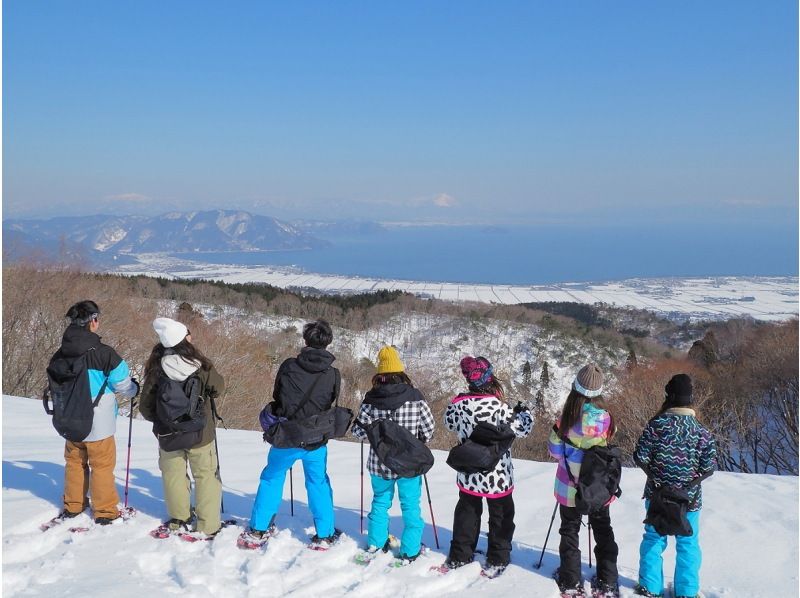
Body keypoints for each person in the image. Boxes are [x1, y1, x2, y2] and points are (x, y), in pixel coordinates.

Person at [241, 319, 341, 548]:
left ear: (306, 340)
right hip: (315, 439)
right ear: (328, 342)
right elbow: (330, 401)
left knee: (272, 478)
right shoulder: (332, 374)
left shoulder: (288, 365)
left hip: (286, 435)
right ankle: (324, 534)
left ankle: (258, 529)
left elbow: (278, 393)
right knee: (318, 483)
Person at [442, 356, 533, 575]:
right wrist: (525, 413)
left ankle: (460, 555)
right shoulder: (499, 407)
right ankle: (498, 558)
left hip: (469, 470)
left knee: (467, 513)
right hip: (497, 472)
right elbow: (522, 429)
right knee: (501, 516)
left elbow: (449, 423)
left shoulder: (459, 404)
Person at [50, 300, 139, 524]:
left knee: (74, 462)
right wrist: (134, 389)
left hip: (69, 417)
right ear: (92, 322)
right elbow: (123, 384)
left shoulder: (61, 353)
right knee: (101, 465)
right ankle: (106, 511)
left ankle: (73, 506)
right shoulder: (104, 353)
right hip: (99, 420)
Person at [632, 374, 717, 598]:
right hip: (689, 500)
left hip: (657, 495)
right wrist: (688, 484)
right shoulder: (702, 432)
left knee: (653, 538)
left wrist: (656, 478)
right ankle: (686, 592)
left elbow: (639, 456)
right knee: (688, 543)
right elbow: (709, 468)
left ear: (669, 397)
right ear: (690, 399)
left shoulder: (657, 425)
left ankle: (650, 587)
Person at [139, 317, 225, 537]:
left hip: (168, 433)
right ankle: (208, 525)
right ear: (184, 339)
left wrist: (162, 420)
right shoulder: (200, 365)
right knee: (205, 475)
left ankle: (180, 518)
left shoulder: (157, 367)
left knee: (173, 475)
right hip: (200, 432)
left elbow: (146, 406)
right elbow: (218, 388)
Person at [352, 346, 435, 562]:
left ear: (380, 374)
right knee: (410, 506)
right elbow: (428, 430)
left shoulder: (371, 399)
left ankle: (376, 543)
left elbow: (358, 431)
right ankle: (410, 549)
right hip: (409, 464)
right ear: (400, 371)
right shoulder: (415, 397)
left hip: (379, 463)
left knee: (380, 502)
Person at [548, 364, 618, 597]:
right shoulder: (607, 420)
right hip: (598, 487)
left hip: (569, 487)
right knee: (603, 529)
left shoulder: (565, 421)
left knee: (569, 531)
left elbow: (555, 451)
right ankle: (607, 580)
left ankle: (570, 580)